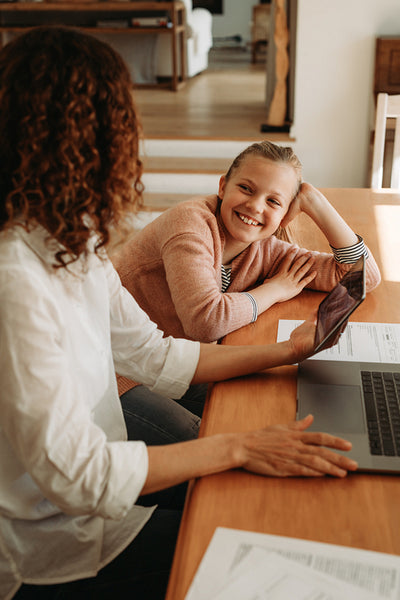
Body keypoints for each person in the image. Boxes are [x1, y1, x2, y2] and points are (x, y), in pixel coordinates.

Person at [0, 26, 359, 600]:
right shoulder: (15, 278)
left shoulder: (73, 242)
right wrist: (239, 446)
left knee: (266, 490)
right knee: (259, 534)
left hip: (97, 491)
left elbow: (155, 354)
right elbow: (75, 477)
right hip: (47, 545)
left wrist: (289, 352)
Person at [112, 142, 381, 405]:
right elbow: (205, 322)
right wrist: (274, 291)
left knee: (276, 401)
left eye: (273, 201)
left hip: (180, 364)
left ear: (287, 213)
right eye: (245, 188)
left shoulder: (265, 249)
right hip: (118, 370)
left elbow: (362, 277)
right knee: (221, 430)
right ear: (222, 186)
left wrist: (315, 202)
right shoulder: (189, 225)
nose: (255, 206)